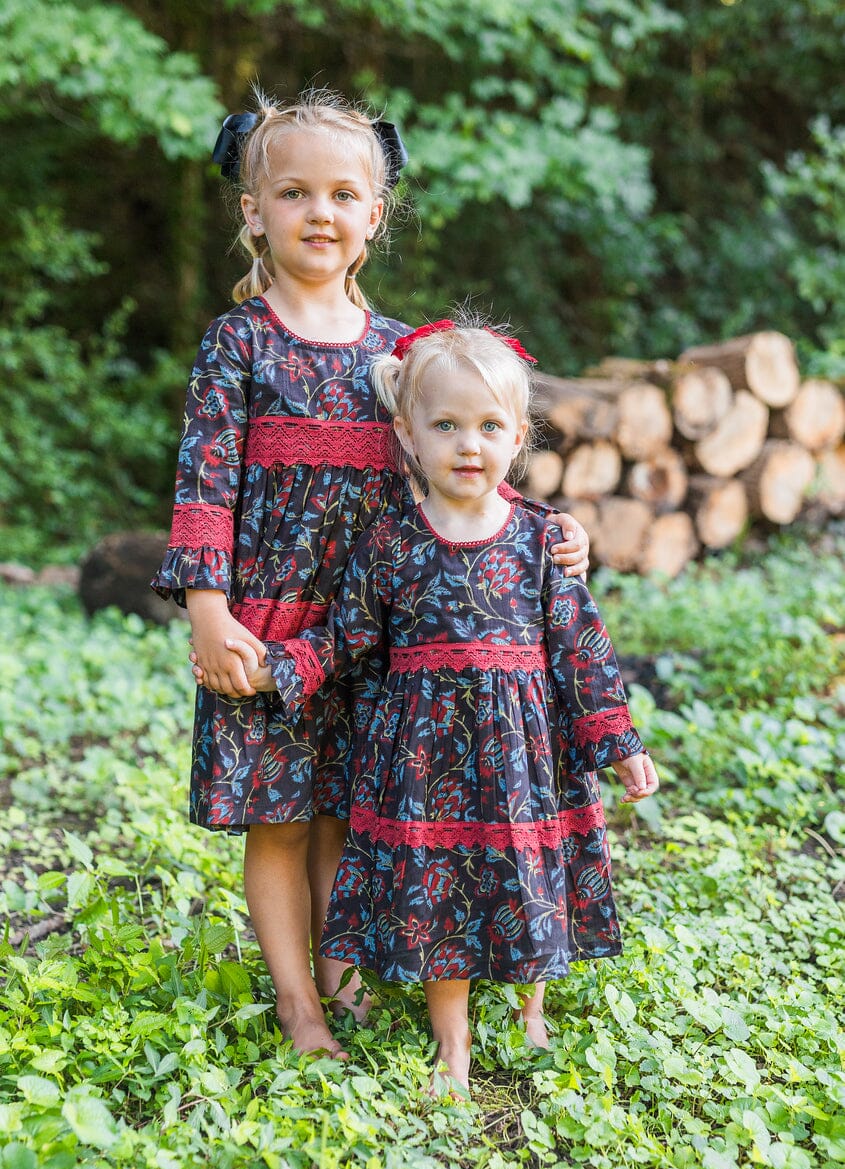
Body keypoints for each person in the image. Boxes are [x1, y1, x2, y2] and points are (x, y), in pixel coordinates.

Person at [153, 91, 593, 1061]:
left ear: (373, 217)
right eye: (295, 191)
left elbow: (459, 476)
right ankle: (298, 1004)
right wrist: (208, 613)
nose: (321, 211)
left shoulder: (398, 357)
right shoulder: (242, 343)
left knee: (348, 811)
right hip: (266, 629)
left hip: (378, 630)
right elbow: (204, 483)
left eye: (345, 193)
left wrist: (551, 533)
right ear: (252, 210)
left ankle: (348, 980)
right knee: (277, 819)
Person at [219, 320, 659, 1092]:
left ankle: (530, 1007)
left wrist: (617, 741)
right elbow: (346, 634)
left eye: (490, 427)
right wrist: (276, 670)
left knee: (528, 875)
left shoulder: (538, 540)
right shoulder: (390, 543)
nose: (468, 445)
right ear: (406, 436)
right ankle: (450, 1041)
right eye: (447, 425)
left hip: (524, 754)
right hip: (428, 763)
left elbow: (580, 647)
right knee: (443, 890)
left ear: (518, 437)